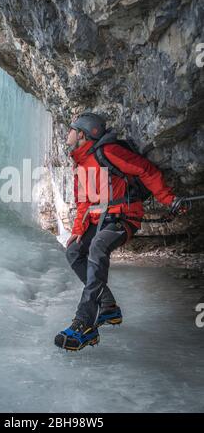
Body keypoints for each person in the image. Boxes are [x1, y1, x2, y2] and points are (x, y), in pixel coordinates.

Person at [54, 112, 186, 351]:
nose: (68, 133)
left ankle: (84, 323)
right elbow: (83, 202)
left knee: (98, 246)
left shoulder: (109, 152)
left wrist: (169, 199)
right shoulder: (81, 164)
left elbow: (145, 169)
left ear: (82, 134)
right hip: (100, 220)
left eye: (72, 129)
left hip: (124, 218)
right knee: (73, 251)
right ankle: (108, 306)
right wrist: (78, 230)